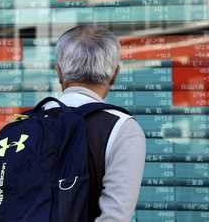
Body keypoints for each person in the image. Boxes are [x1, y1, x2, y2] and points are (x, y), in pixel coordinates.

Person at [44, 25, 146, 222]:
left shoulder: (28, 122)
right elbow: (114, 217)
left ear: (59, 71)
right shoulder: (122, 129)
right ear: (114, 74)